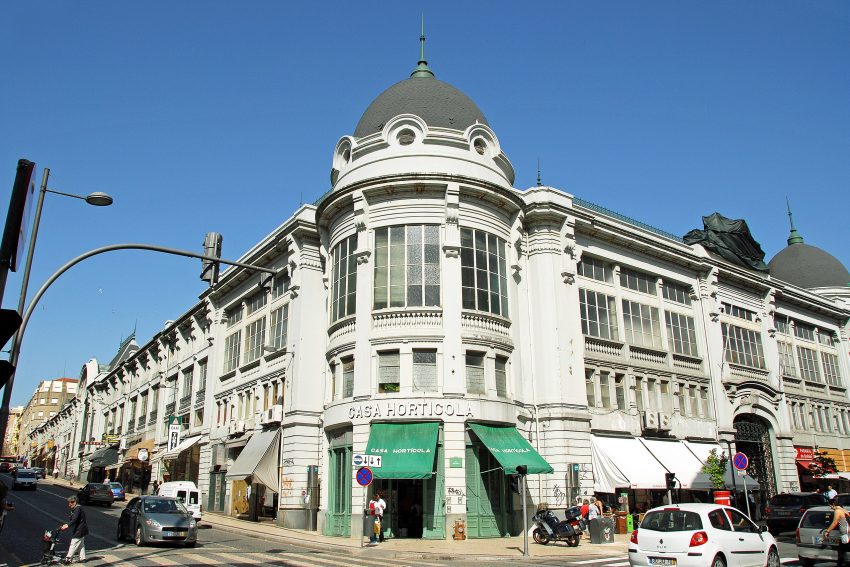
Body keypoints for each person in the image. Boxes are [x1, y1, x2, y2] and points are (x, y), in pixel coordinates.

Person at [60, 495, 88, 564]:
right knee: (81, 545)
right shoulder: (78, 508)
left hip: (79, 530)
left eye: (70, 503)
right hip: (82, 529)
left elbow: (74, 519)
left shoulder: (77, 509)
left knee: (73, 544)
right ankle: (82, 558)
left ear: (74, 502)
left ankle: (68, 560)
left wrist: (67, 525)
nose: (69, 505)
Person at [823, 498, 850, 567]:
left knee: (841, 551)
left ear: (834, 504)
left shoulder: (837, 511)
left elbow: (835, 522)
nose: (831, 508)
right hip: (847, 533)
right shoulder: (844, 510)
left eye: (831, 506)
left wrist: (827, 531)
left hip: (845, 534)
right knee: (842, 550)